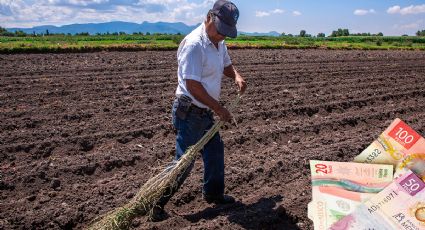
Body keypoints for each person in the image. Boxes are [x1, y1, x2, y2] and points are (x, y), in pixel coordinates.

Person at [149, 0, 246, 221]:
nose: (223, 36)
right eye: (221, 30)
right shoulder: (195, 44)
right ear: (210, 17)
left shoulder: (218, 43)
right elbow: (193, 85)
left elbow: (225, 64)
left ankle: (213, 194)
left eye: (227, 33)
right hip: (190, 110)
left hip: (205, 111)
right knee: (184, 162)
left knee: (214, 152)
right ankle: (155, 202)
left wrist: (237, 76)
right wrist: (220, 109)